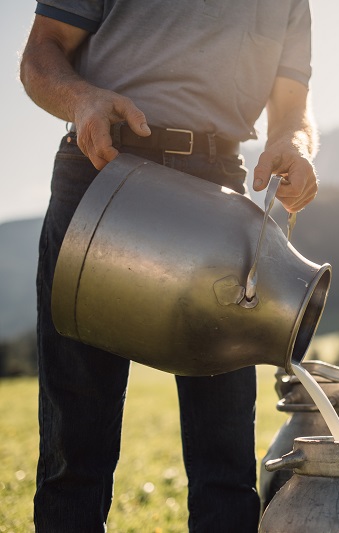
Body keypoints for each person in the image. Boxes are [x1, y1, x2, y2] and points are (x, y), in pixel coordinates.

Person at [19, 1, 319, 531]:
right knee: (75, 445)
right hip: (104, 166)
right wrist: (83, 98)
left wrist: (290, 142)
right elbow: (41, 53)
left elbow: (291, 105)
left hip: (220, 182)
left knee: (225, 458)